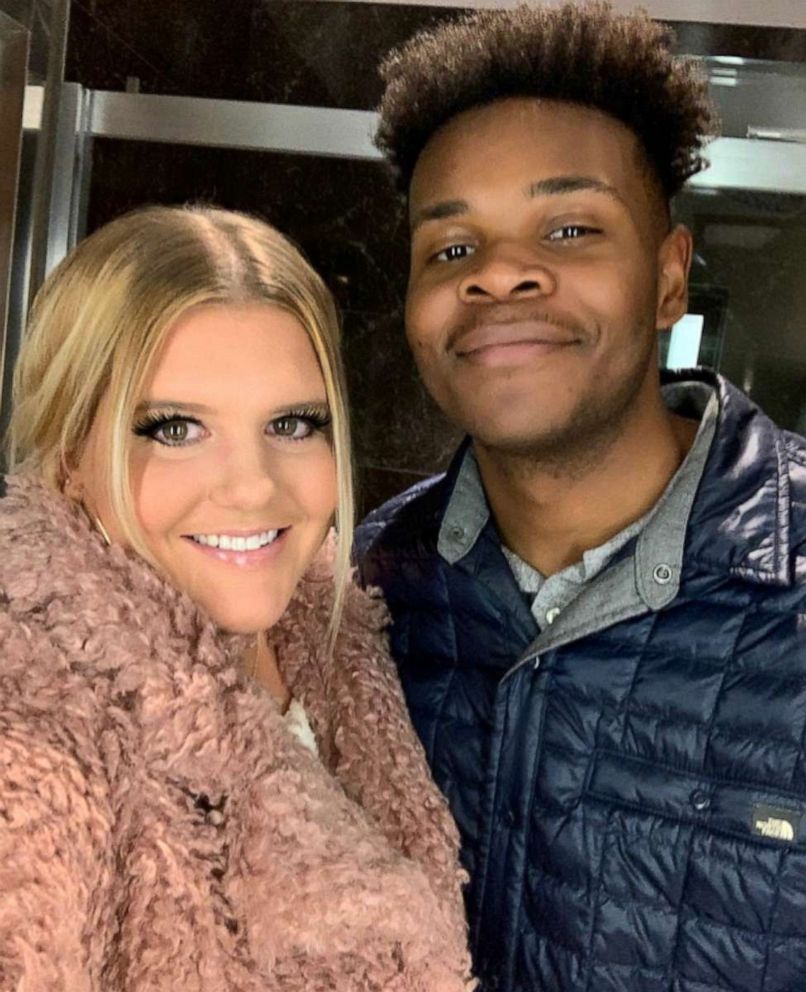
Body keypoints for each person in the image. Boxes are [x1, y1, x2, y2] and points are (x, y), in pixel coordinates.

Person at [355, 4, 806, 991]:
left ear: (666, 279)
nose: (500, 274)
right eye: (449, 247)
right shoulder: (367, 587)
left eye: (567, 227)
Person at [0, 205, 474, 991]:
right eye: (175, 428)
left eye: (292, 422)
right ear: (70, 455)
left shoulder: (341, 636)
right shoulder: (34, 735)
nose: (254, 485)